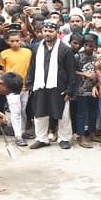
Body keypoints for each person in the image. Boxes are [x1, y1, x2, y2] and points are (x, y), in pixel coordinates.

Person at [26, 20, 77, 150]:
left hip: (59, 87)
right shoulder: (36, 47)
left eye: (50, 31)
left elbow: (71, 71)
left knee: (63, 114)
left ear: (57, 33)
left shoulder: (65, 49)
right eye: (45, 31)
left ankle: (64, 138)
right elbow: (31, 67)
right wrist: (30, 84)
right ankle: (41, 139)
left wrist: (69, 90)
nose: (47, 33)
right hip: (40, 86)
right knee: (40, 113)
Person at [0, 30, 33, 146]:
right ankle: (18, 135)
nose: (15, 43)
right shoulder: (4, 54)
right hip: (11, 87)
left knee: (23, 110)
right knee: (15, 111)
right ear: (7, 41)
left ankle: (22, 131)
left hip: (25, 86)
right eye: (12, 41)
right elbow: (4, 71)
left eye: (17, 41)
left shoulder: (28, 52)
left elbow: (30, 68)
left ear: (21, 40)